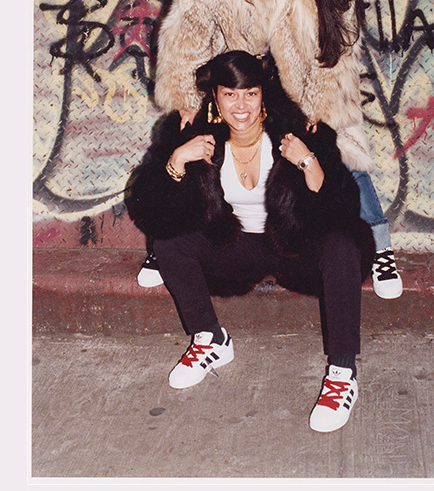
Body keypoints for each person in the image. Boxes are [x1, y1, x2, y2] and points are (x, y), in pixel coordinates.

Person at [138, 0, 402, 300]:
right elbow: (187, 37)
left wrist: (319, 113)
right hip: (237, 80)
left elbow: (335, 57)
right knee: (187, 140)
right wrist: (189, 100)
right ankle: (166, 242)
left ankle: (380, 245)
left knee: (343, 151)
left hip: (300, 87)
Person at [126, 51, 374, 433]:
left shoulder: (299, 134)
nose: (240, 105)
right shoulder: (194, 137)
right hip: (235, 248)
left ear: (263, 97)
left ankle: (342, 373)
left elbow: (341, 209)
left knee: (342, 245)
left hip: (294, 246)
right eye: (229, 95)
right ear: (216, 99)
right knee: (169, 243)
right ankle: (210, 339)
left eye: (250, 94)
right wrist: (176, 161)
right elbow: (155, 213)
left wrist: (308, 161)